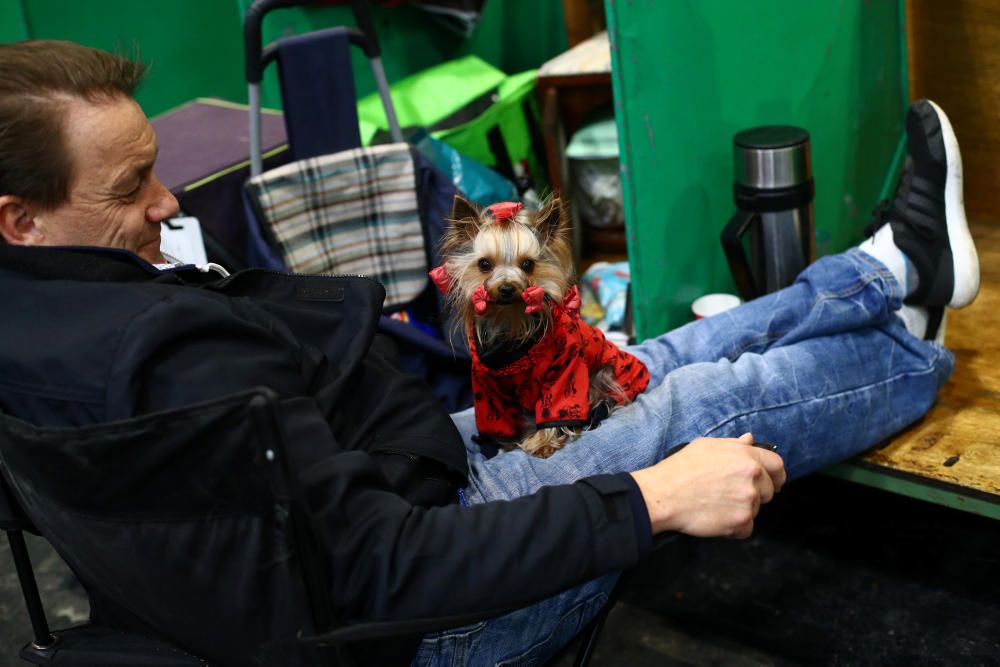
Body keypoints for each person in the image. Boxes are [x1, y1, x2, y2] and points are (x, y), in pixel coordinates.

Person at [0, 40, 978, 667]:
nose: (166, 204)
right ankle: (902, 334)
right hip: (422, 620)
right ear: (20, 219)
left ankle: (885, 274)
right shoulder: (162, 366)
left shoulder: (42, 322)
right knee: (696, 408)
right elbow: (383, 571)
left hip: (379, 493)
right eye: (132, 185)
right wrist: (655, 498)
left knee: (635, 355)